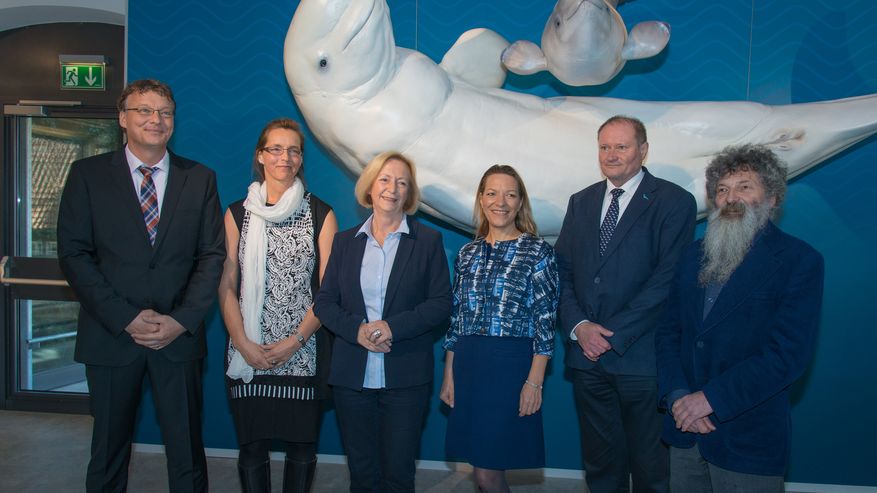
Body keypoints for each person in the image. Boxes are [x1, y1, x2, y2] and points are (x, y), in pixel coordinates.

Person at [57, 79, 225, 493]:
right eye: (144, 110)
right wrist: (127, 318)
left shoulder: (199, 178)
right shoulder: (88, 175)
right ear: (122, 118)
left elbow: (212, 257)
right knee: (109, 450)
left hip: (178, 340)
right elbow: (75, 255)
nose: (156, 119)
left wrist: (180, 321)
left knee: (187, 451)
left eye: (165, 112)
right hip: (111, 337)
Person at [655, 144, 823, 492]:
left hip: (747, 435)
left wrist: (709, 400)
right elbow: (669, 332)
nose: (731, 197)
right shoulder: (692, 256)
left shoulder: (799, 261)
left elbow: (786, 356)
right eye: (722, 189)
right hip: (685, 430)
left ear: (773, 198)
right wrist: (677, 396)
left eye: (744, 186)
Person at [554, 115, 696, 493]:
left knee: (651, 467)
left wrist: (611, 335)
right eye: (604, 147)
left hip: (641, 358)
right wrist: (580, 327)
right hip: (586, 357)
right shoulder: (581, 202)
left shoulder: (674, 201)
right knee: (600, 463)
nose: (611, 155)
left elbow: (667, 280)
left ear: (643, 150)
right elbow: (561, 272)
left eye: (621, 146)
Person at [313, 151, 452, 493]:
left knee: (399, 473)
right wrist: (357, 331)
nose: (392, 188)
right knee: (361, 473)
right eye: (385, 179)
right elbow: (325, 302)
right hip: (352, 378)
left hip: (405, 377)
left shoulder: (428, 242)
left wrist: (393, 327)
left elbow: (441, 304)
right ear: (370, 187)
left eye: (402, 182)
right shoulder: (344, 243)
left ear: (409, 193)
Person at [218, 118, 338, 492]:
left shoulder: (321, 213)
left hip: (302, 354)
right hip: (247, 353)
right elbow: (227, 283)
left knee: (302, 449)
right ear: (260, 155)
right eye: (276, 148)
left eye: (293, 150)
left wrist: (294, 342)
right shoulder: (237, 213)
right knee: (251, 449)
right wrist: (242, 343)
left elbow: (328, 292)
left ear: (301, 159)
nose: (285, 157)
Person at [440, 165, 559, 493]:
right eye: (492, 193)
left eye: (510, 194)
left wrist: (534, 382)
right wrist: (449, 374)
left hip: (510, 367)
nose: (500, 202)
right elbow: (457, 319)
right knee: (480, 464)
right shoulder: (467, 254)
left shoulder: (538, 253)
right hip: (468, 363)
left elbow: (545, 323)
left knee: (488, 473)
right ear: (481, 199)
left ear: (520, 202)